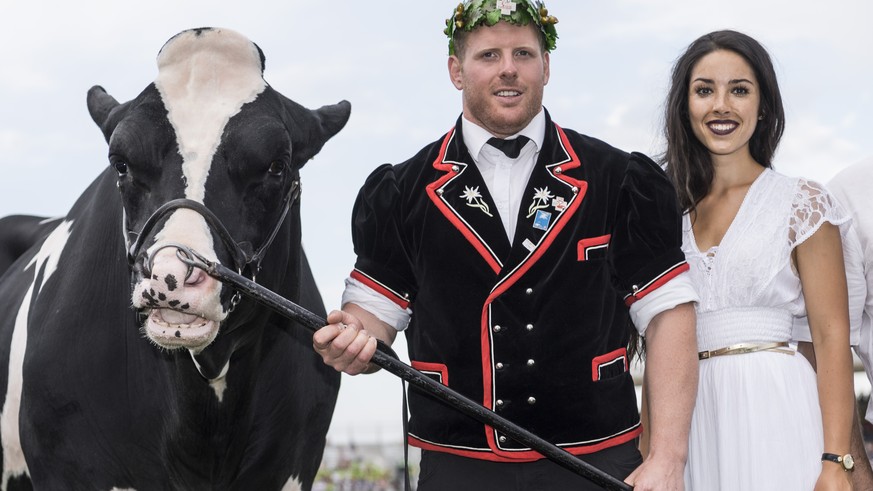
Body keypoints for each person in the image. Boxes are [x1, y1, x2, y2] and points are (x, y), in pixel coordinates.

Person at [312, 1, 699, 489]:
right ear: (456, 70)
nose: (509, 69)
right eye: (488, 55)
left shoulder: (619, 179)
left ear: (547, 66)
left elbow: (669, 315)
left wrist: (667, 458)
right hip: (458, 464)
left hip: (596, 462)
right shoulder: (401, 191)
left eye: (523, 53)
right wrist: (352, 337)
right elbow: (372, 316)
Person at [663, 30, 855, 490]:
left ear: (763, 105)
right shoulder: (665, 214)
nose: (721, 105)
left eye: (740, 90)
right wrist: (656, 451)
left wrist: (835, 460)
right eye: (705, 89)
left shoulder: (801, 201)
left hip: (778, 406)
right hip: (692, 416)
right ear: (685, 106)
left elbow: (832, 337)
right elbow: (659, 341)